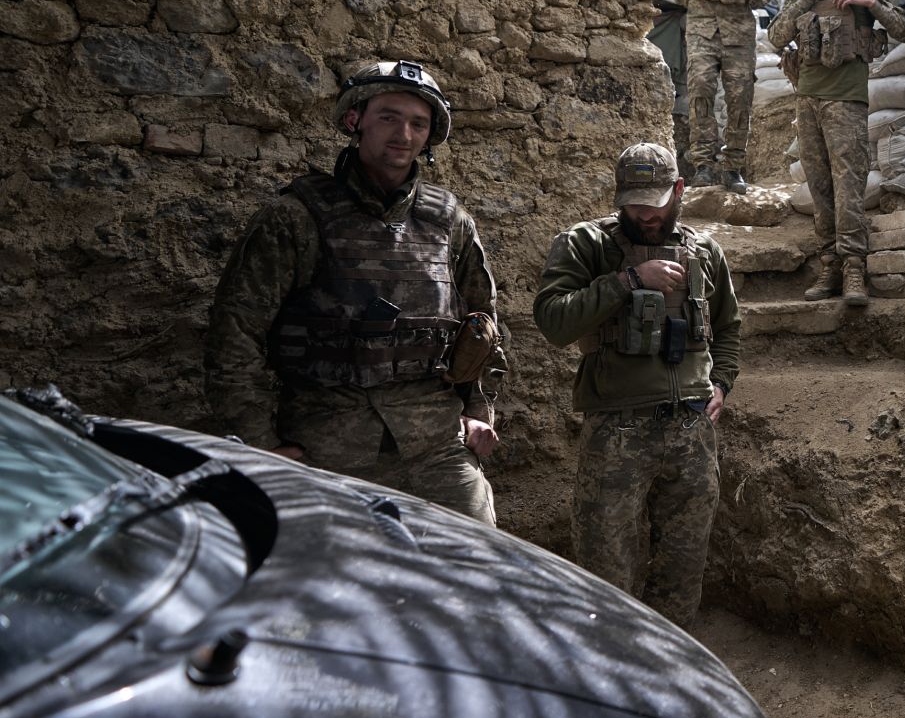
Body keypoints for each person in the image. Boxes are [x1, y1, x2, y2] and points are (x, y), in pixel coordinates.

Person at [206, 60, 506, 524]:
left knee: (477, 560)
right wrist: (260, 444)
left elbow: (482, 325)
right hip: (325, 446)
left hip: (436, 446)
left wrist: (478, 411)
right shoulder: (296, 216)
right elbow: (235, 333)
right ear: (355, 120)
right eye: (388, 117)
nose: (403, 134)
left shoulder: (450, 222)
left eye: (418, 123)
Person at [533, 142, 742, 625]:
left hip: (691, 431)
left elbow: (728, 326)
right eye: (634, 203)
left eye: (656, 202)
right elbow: (553, 322)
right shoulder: (585, 244)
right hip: (617, 430)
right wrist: (628, 281)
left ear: (679, 190)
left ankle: (669, 659)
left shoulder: (705, 251)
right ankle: (610, 658)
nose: (645, 214)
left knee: (682, 569)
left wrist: (722, 382)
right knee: (606, 569)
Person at [767, 0, 905, 306]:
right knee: (819, 187)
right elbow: (775, 37)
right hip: (808, 101)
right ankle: (830, 266)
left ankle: (854, 269)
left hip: (846, 101)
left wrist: (869, 3)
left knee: (848, 185)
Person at [653, 0, 777, 194]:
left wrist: (752, 0)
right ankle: (703, 166)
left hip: (739, 34)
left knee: (739, 98)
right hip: (702, 30)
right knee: (701, 92)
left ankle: (732, 167)